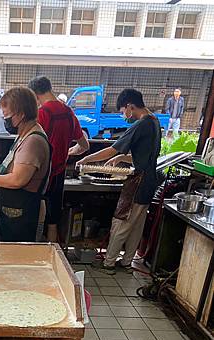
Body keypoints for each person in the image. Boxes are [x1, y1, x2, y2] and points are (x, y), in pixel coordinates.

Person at [77, 88, 161, 275]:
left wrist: (86, 159)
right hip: (149, 181)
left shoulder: (141, 124)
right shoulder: (154, 122)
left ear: (130, 106)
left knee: (121, 222)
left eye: (123, 110)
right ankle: (126, 262)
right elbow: (145, 157)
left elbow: (111, 149)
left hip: (137, 182)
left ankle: (108, 263)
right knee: (136, 225)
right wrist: (123, 159)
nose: (124, 115)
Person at [0, 87, 51, 242]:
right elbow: (13, 166)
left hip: (22, 215)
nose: (5, 120)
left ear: (21, 114)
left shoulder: (33, 141)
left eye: (7, 115)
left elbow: (18, 180)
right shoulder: (23, 135)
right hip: (13, 212)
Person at [29, 76, 89, 242]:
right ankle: (53, 260)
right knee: (53, 220)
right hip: (59, 174)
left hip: (41, 176)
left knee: (37, 218)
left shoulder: (43, 113)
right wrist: (67, 151)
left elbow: (31, 146)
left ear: (35, 94)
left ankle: (34, 257)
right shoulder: (69, 112)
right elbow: (84, 146)